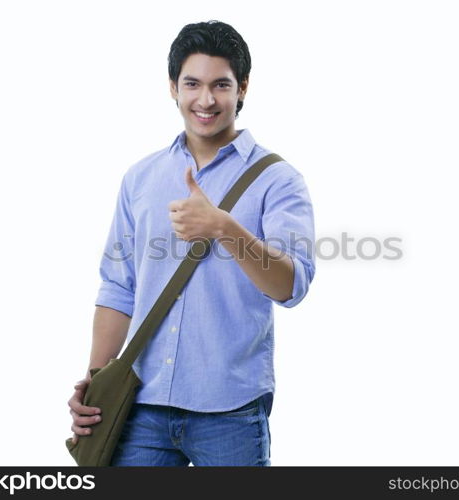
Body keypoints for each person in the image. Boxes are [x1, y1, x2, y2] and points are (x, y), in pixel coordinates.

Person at [67, 20, 315, 466]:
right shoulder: (141, 177)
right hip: (139, 406)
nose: (206, 100)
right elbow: (118, 286)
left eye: (221, 85)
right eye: (192, 84)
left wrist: (225, 228)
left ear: (242, 88)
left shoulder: (279, 181)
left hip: (231, 410)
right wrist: (96, 380)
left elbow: (290, 285)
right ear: (172, 88)